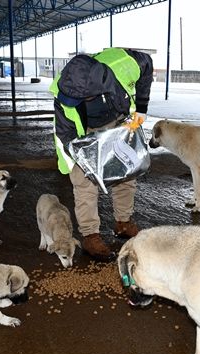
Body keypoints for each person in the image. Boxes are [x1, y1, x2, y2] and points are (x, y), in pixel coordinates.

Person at [50, 47, 154, 261]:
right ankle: (90, 235)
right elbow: (65, 135)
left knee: (126, 171)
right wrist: (82, 160)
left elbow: (147, 66)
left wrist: (141, 107)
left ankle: (123, 223)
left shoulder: (125, 64)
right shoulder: (63, 94)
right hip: (84, 132)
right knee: (84, 182)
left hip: (117, 121)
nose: (72, 100)